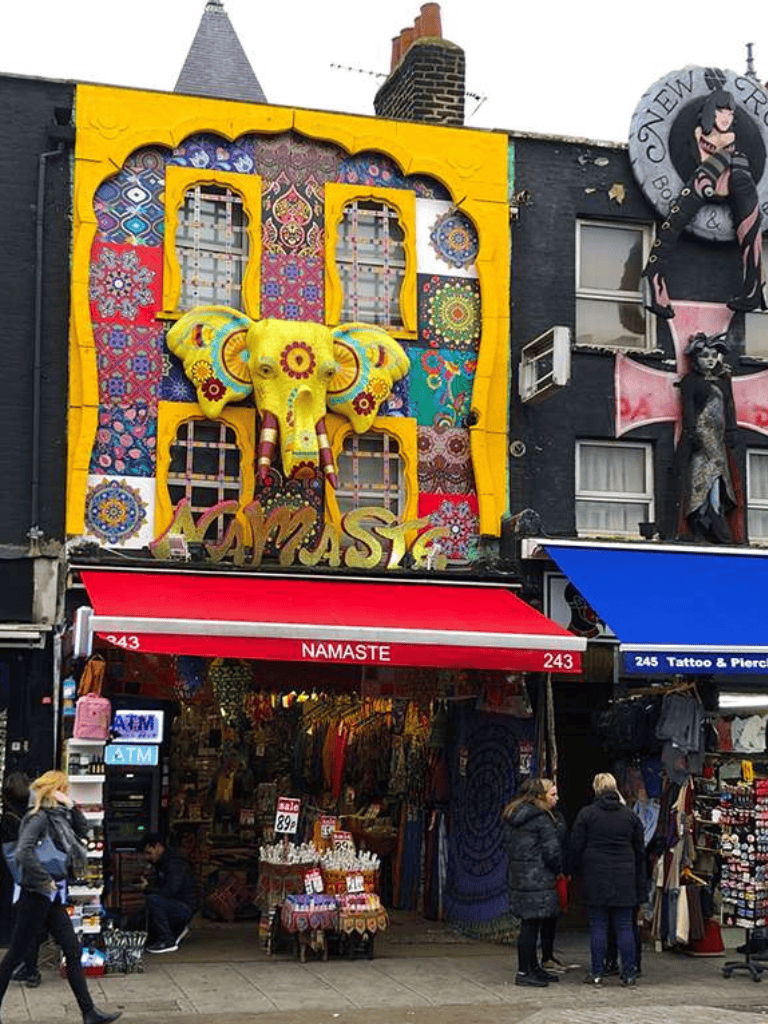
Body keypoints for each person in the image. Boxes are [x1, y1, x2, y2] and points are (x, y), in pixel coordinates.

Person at [0, 770, 121, 1024]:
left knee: (72, 949)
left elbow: (84, 829)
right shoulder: (39, 818)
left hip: (50, 897)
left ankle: (89, 1012)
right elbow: (23, 853)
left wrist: (73, 806)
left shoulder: (59, 817)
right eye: (64, 789)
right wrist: (44, 880)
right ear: (53, 789)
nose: (67, 793)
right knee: (14, 957)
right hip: (35, 895)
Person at [643, 89, 765, 318]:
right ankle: (654, 274)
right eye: (721, 111)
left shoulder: (734, 143)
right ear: (711, 112)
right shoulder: (700, 135)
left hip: (724, 181)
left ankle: (654, 273)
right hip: (707, 182)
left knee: (735, 165)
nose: (726, 117)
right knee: (725, 165)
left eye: (730, 112)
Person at [570, 772, 646, 987]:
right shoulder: (629, 816)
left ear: (596, 789)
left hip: (596, 877)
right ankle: (629, 973)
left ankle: (596, 972)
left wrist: (575, 870)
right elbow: (639, 850)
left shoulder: (587, 814)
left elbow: (576, 845)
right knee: (624, 926)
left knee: (598, 926)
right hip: (625, 878)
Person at [502, 777, 563, 988]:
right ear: (540, 796)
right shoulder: (542, 819)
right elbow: (552, 851)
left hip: (519, 875)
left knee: (530, 923)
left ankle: (532, 966)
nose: (555, 798)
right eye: (551, 794)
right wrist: (558, 869)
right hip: (538, 877)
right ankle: (524, 971)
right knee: (531, 925)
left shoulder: (513, 816)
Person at [678, 332, 738, 543]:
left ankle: (716, 513)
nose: (710, 359)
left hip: (718, 438)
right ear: (695, 359)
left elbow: (729, 407)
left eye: (714, 355)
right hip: (702, 438)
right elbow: (689, 409)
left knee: (719, 478)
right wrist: (692, 430)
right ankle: (700, 516)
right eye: (705, 355)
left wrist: (732, 430)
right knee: (700, 476)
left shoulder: (723, 381)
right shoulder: (691, 382)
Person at [0, 772, 41, 987]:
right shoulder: (34, 813)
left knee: (23, 923)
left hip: (17, 875)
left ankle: (31, 969)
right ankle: (29, 966)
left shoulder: (8, 819)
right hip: (34, 874)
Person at [138, 832, 198, 953]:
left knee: (153, 900)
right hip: (176, 904)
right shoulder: (163, 863)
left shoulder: (175, 863)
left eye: (149, 852)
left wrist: (147, 888)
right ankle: (166, 933)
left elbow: (169, 891)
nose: (148, 857)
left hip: (184, 907)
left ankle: (167, 940)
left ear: (158, 847)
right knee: (140, 918)